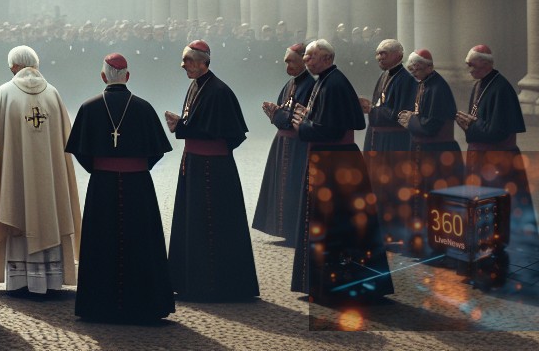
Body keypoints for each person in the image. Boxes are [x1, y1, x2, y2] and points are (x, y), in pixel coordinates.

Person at [65, 53, 174, 324]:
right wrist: (136, 167)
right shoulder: (144, 108)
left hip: (102, 186)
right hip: (138, 186)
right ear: (128, 76)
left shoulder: (88, 108)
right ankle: (145, 306)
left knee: (100, 244)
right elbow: (157, 151)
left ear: (103, 76)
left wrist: (100, 168)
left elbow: (79, 151)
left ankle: (98, 306)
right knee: (141, 243)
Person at [289, 39, 393, 304]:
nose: (306, 61)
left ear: (327, 58)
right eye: (306, 56)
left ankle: (338, 287)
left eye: (311, 56)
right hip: (331, 159)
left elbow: (331, 130)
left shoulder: (334, 84)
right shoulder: (326, 81)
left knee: (337, 224)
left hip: (336, 162)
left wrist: (302, 126)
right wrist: (307, 118)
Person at [0, 45, 81, 297]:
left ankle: (20, 281)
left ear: (14, 66)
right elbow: (65, 143)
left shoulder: (4, 93)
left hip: (16, 179)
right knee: (48, 211)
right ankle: (51, 280)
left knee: (17, 207)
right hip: (49, 183)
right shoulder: (53, 93)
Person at [164, 40, 258, 302]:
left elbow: (230, 135)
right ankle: (189, 281)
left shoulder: (219, 92)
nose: (183, 65)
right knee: (191, 223)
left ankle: (214, 286)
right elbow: (198, 123)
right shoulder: (195, 85)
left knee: (211, 226)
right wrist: (181, 125)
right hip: (194, 163)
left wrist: (183, 127)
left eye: (188, 60)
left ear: (203, 61)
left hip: (213, 171)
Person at [457, 44, 539, 286]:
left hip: (497, 163)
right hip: (480, 160)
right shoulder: (479, 85)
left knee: (498, 216)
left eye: (471, 63)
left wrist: (470, 126)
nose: (468, 68)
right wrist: (471, 126)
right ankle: (479, 268)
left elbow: (497, 131)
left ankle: (497, 272)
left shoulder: (502, 89)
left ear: (486, 63)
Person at [399, 47, 461, 255]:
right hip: (423, 150)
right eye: (412, 69)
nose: (413, 72)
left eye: (416, 68)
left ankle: (437, 243)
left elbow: (431, 125)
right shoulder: (424, 84)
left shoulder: (438, 88)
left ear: (429, 67)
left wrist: (410, 121)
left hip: (436, 153)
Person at [252, 43, 313, 244]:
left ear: (303, 60)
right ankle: (284, 231)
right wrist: (275, 113)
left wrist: (277, 114)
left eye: (292, 62)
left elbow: (296, 118)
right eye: (286, 62)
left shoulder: (310, 85)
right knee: (281, 187)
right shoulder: (290, 84)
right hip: (283, 142)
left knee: (293, 188)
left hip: (298, 146)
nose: (288, 66)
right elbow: (283, 111)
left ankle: (294, 233)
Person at [361, 38, 417, 248]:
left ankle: (395, 232)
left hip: (394, 141)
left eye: (384, 53)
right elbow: (380, 105)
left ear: (398, 55)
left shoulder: (407, 80)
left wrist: (371, 109)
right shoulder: (384, 76)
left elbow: (399, 114)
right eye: (377, 53)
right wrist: (371, 109)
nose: (379, 57)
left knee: (392, 187)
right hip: (377, 139)